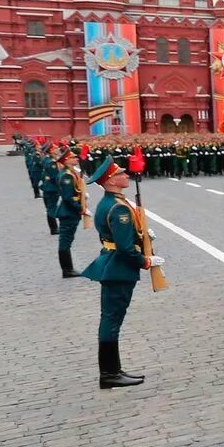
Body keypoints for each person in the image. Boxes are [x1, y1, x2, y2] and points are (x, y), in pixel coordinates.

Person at [80, 154, 160, 388]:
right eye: (121, 173)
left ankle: (113, 371)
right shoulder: (119, 208)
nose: (126, 175)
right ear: (111, 180)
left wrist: (141, 235)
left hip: (112, 262)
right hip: (119, 267)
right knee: (112, 320)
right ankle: (109, 373)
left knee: (111, 318)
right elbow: (125, 248)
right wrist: (145, 261)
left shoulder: (111, 202)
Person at [53, 149, 86, 279]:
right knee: (65, 241)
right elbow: (67, 197)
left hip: (69, 212)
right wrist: (79, 208)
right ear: (66, 160)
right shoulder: (67, 176)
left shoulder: (69, 173)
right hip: (68, 213)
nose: (76, 159)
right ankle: (67, 269)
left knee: (67, 240)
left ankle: (68, 268)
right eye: (73, 157)